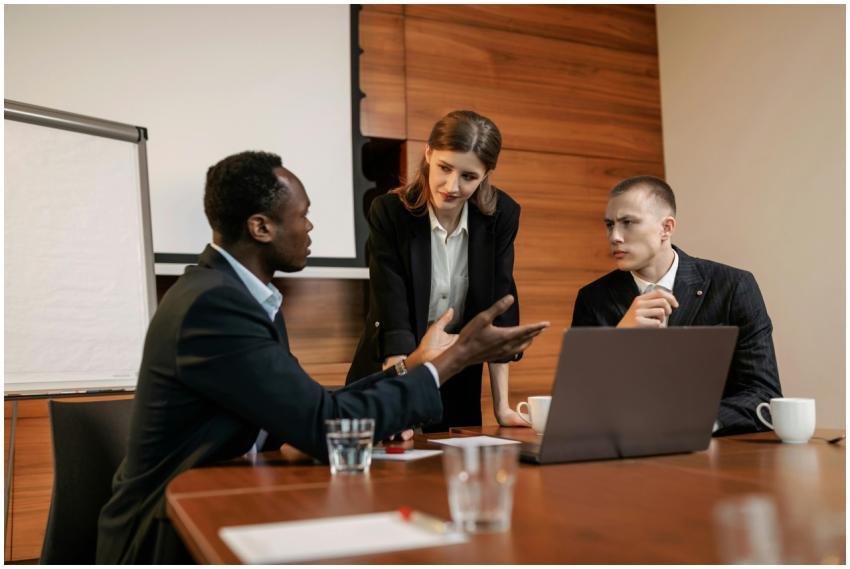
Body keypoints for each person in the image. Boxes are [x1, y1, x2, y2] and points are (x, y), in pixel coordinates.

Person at [96, 151, 548, 564]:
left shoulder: (237, 295)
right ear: (260, 227)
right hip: (167, 534)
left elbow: (311, 405)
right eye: (303, 215)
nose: (310, 227)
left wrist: (411, 365)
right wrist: (454, 359)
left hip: (223, 498)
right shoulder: (215, 307)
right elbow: (323, 424)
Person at [346, 110, 528, 433]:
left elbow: (498, 307)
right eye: (445, 168)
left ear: (486, 174)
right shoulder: (389, 213)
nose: (451, 186)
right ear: (428, 152)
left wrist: (502, 407)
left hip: (455, 373)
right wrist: (397, 405)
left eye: (469, 176)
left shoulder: (501, 216)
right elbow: (393, 314)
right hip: (392, 373)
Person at [570, 175, 782, 435]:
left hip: (716, 449)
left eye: (628, 223)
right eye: (609, 225)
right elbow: (579, 403)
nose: (614, 236)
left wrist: (694, 422)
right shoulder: (593, 298)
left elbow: (764, 396)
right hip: (625, 450)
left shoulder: (734, 286)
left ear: (666, 228)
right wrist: (620, 342)